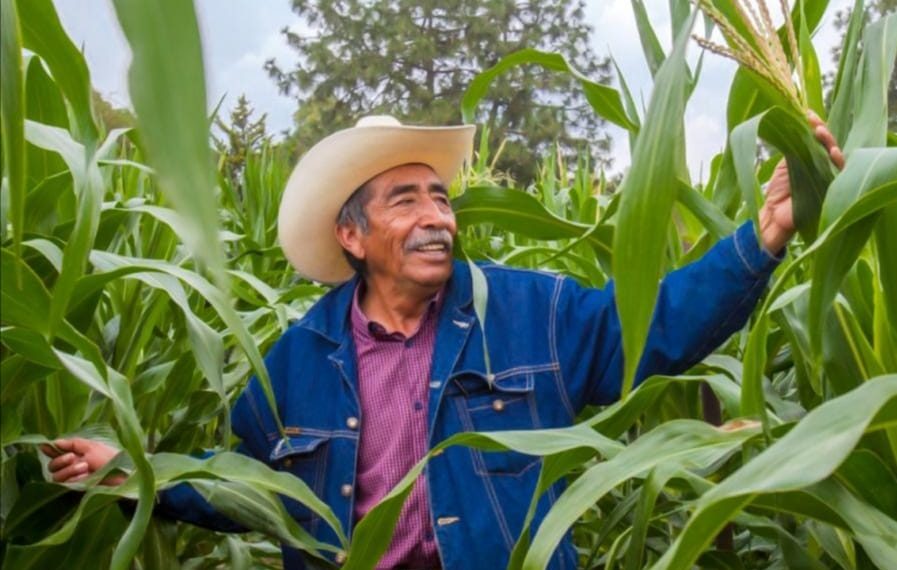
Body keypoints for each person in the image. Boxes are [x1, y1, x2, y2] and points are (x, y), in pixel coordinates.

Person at [43, 114, 844, 569]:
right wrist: (135, 471)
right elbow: (245, 483)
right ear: (351, 236)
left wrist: (765, 233)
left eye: (440, 197)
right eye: (405, 201)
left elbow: (657, 329)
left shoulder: (534, 313)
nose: (437, 216)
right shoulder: (293, 360)